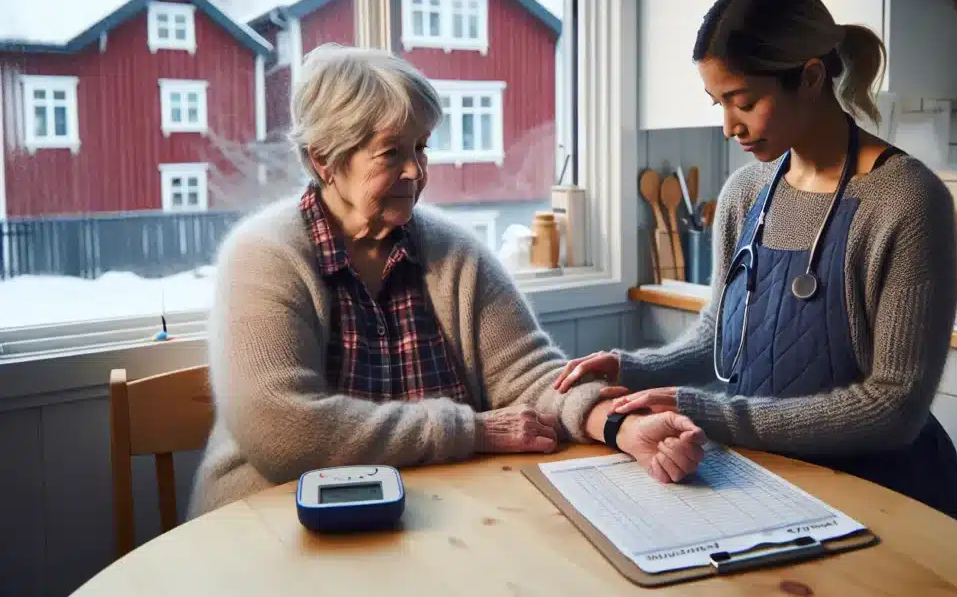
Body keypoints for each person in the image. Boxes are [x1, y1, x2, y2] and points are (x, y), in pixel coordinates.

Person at [189, 45, 705, 517]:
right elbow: (285, 431)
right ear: (325, 159)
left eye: (422, 146)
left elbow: (530, 376)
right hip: (273, 523)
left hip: (439, 514)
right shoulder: (265, 255)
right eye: (392, 152)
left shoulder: (454, 253)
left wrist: (622, 426)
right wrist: (471, 430)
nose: (416, 171)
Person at [556, 0, 957, 519]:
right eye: (717, 102)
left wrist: (713, 413)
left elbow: (895, 406)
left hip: (884, 494)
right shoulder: (746, 192)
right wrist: (629, 369)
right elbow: (720, 340)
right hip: (769, 482)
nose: (728, 126)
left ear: (811, 77)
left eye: (743, 101)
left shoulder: (905, 200)